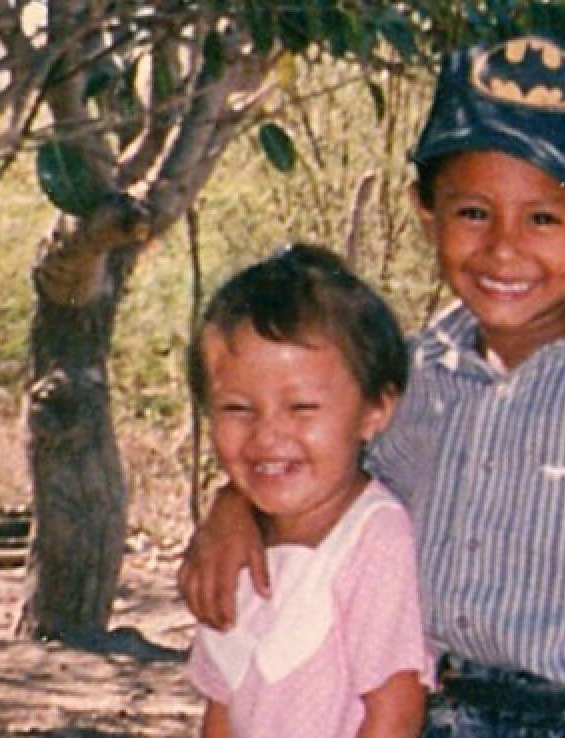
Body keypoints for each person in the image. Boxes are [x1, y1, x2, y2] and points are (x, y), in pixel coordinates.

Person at [180, 35, 565, 738]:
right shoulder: (415, 371)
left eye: (544, 218)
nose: (504, 248)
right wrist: (232, 507)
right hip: (437, 711)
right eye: (473, 213)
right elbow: (321, 470)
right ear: (426, 211)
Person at [185, 243, 433, 738]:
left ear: (374, 411)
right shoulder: (234, 543)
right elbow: (222, 708)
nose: (267, 436)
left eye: (301, 408)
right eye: (237, 408)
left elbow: (395, 714)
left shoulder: (373, 537)